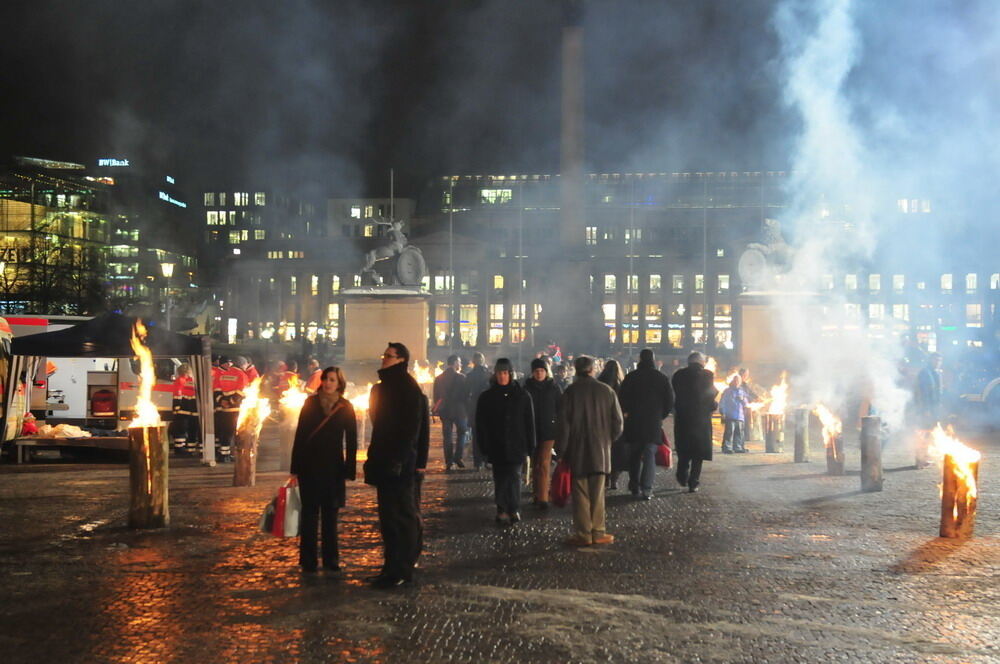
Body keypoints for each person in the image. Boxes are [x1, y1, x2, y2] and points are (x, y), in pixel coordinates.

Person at [364, 342, 429, 589]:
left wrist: (401, 461)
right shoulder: (382, 389)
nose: (384, 359)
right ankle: (390, 568)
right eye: (384, 355)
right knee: (387, 519)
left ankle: (402, 569)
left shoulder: (408, 389)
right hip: (385, 461)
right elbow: (378, 425)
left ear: (401, 360)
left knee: (401, 518)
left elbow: (411, 431)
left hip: (399, 465)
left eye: (389, 356)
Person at [290, 366, 357, 573]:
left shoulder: (345, 407)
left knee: (330, 516)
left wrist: (350, 469)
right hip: (310, 466)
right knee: (309, 515)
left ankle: (331, 559)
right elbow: (300, 435)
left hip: (333, 467)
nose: (327, 383)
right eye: (325, 379)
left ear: (339, 384)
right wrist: (295, 468)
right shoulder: (310, 403)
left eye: (332, 380)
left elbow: (352, 440)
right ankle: (308, 560)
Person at [555, 355, 623, 547]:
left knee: (581, 494)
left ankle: (584, 533)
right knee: (598, 493)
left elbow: (564, 426)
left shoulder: (570, 392)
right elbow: (618, 423)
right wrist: (608, 440)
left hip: (577, 451)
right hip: (601, 451)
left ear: (576, 370)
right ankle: (598, 531)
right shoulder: (607, 391)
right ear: (593, 370)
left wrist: (561, 451)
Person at [476, 358, 536, 525]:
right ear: (495, 375)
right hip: (496, 444)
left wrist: (531, 446)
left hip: (517, 443)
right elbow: (481, 424)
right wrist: (482, 446)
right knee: (500, 478)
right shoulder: (487, 397)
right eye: (499, 373)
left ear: (510, 374)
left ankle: (514, 508)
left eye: (504, 373)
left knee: (515, 477)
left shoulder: (523, 396)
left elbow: (529, 422)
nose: (502, 377)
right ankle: (502, 508)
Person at [619, 348, 674, 500]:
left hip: (634, 421)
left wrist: (627, 411)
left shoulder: (631, 377)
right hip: (652, 422)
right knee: (650, 454)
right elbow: (670, 400)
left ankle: (634, 485)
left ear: (640, 359)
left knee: (635, 454)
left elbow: (622, 397)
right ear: (653, 359)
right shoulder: (661, 378)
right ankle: (647, 488)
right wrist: (660, 415)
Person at [671, 352, 718, 492]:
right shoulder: (707, 375)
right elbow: (710, 394)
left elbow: (676, 393)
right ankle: (694, 481)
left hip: (683, 418)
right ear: (700, 362)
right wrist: (713, 405)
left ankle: (682, 474)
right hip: (701, 420)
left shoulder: (678, 375)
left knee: (684, 449)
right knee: (698, 453)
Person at [523, 357, 562, 509]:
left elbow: (560, 408)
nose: (539, 374)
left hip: (548, 431)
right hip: (532, 430)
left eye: (541, 371)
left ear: (546, 372)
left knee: (544, 463)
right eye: (536, 371)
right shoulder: (526, 388)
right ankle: (536, 494)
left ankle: (543, 497)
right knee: (535, 464)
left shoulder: (554, 388)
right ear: (532, 373)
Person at [432, 354, 469, 470]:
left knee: (447, 436)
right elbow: (466, 395)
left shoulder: (438, 378)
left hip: (445, 410)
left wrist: (438, 408)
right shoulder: (462, 378)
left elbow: (436, 396)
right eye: (459, 362)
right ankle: (458, 457)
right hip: (459, 410)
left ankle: (449, 461)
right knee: (462, 433)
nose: (461, 364)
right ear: (454, 363)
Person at [597, 359, 627, 490]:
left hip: (601, 422)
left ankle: (605, 477)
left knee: (603, 450)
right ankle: (614, 478)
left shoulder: (599, 383)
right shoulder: (622, 385)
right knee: (617, 452)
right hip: (617, 421)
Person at [212, 357, 247, 462]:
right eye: (245, 365)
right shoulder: (242, 375)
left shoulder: (223, 374)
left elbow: (216, 390)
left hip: (224, 409)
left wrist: (222, 401)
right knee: (236, 433)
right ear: (242, 364)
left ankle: (223, 454)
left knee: (225, 432)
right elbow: (241, 392)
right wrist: (231, 402)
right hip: (235, 409)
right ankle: (235, 454)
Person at [913, 352, 943, 467]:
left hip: (933, 408)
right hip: (925, 408)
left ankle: (924, 457)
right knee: (923, 433)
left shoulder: (937, 373)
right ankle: (920, 460)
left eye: (939, 360)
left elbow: (937, 392)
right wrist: (926, 409)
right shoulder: (925, 373)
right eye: (935, 360)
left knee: (929, 433)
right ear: (930, 360)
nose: (938, 363)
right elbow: (923, 393)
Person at [465, 352, 491, 471]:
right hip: (487, 408)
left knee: (476, 436)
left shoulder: (469, 376)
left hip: (474, 408)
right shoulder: (488, 374)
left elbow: (465, 394)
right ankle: (486, 459)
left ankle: (477, 461)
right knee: (487, 434)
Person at [171, 363, 200, 457]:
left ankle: (181, 448)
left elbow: (178, 395)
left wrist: (176, 408)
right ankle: (182, 449)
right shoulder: (186, 380)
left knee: (181, 429)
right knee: (184, 429)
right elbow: (179, 394)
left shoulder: (181, 380)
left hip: (183, 409)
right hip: (186, 409)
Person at [719, 374, 748, 454]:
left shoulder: (742, 392)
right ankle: (727, 448)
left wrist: (743, 399)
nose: (736, 382)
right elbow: (723, 402)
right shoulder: (727, 391)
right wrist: (723, 412)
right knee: (729, 432)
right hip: (730, 415)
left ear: (740, 382)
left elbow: (746, 404)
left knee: (739, 433)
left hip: (740, 416)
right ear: (733, 381)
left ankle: (738, 447)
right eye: (735, 380)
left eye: (738, 381)